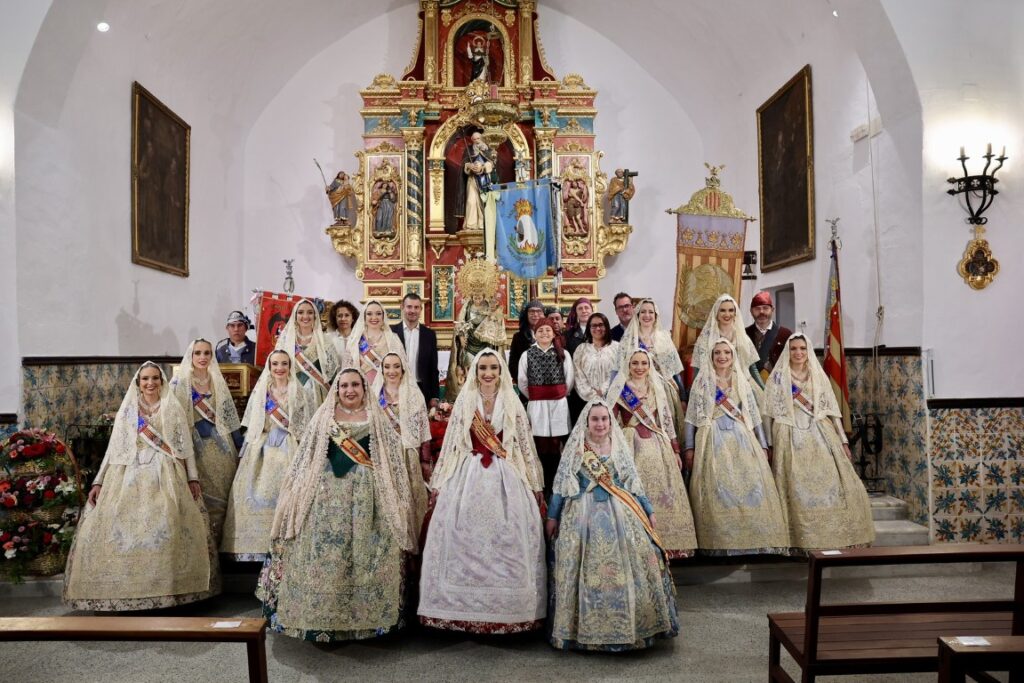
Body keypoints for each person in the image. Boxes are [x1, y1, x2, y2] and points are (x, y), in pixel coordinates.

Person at [257, 368, 416, 641]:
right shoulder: (323, 418)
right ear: (337, 389)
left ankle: (368, 620)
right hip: (324, 495)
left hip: (368, 496)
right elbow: (307, 456)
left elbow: (390, 458)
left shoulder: (377, 420)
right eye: (344, 386)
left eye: (355, 385)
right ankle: (319, 617)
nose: (350, 390)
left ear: (364, 389)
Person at [64, 362, 219, 610]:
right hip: (127, 471)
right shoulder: (128, 411)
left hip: (166, 472)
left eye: (155, 378)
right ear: (138, 383)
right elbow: (113, 449)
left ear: (161, 381)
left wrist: (192, 477)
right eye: (145, 379)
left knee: (166, 523)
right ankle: (123, 591)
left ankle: (170, 590)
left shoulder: (172, 406)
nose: (150, 383)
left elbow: (185, 446)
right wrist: (99, 481)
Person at [419, 349, 546, 634]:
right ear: (475, 372)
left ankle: (509, 609)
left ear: (502, 372)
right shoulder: (465, 403)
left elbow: (525, 446)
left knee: (510, 534)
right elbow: (452, 442)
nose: (488, 373)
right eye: (483, 368)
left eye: (493, 368)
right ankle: (459, 607)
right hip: (468, 474)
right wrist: (439, 482)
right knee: (457, 532)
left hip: (506, 475)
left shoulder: (512, 403)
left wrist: (536, 485)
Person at [547, 400, 678, 651]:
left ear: (610, 422)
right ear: (586, 422)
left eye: (604, 419)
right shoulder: (576, 449)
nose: (600, 424)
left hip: (619, 508)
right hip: (582, 511)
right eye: (595, 419)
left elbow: (633, 482)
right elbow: (561, 486)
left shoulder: (618, 446)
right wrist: (552, 517)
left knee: (640, 550)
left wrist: (648, 510)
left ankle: (634, 624)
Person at [767, 333, 874, 551]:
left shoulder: (818, 375)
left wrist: (843, 440)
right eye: (794, 348)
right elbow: (768, 413)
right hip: (789, 432)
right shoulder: (779, 377)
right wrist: (768, 445)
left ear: (808, 352)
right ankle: (800, 541)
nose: (798, 353)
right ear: (788, 351)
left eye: (802, 349)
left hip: (820, 432)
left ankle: (834, 535)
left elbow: (832, 411)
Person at [683, 339, 789, 556]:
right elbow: (690, 418)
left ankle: (751, 538)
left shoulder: (742, 382)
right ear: (711, 357)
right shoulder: (702, 382)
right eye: (717, 353)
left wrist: (762, 444)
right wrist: (689, 447)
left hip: (742, 440)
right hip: (711, 440)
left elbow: (754, 415)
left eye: (726, 353)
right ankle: (721, 542)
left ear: (733, 357)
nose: (722, 357)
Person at [221, 350, 313, 561]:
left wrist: (288, 433)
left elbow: (305, 424)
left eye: (283, 364)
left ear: (290, 366)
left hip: (290, 445)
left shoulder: (299, 391)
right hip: (262, 445)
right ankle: (253, 547)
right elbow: (253, 423)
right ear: (269, 368)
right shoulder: (262, 391)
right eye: (275, 364)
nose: (279, 368)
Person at [608, 349, 697, 559]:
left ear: (650, 366)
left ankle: (670, 544)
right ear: (628, 366)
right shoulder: (620, 389)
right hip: (630, 443)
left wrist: (675, 450)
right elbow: (610, 421)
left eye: (643, 363)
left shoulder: (657, 388)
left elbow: (666, 422)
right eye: (635, 363)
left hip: (658, 444)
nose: (639, 367)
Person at [169, 339, 242, 544]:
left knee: (224, 491)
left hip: (221, 446)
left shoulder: (217, 380)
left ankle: (222, 542)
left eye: (207, 353)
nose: (202, 357)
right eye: (198, 353)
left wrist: (239, 444)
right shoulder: (179, 384)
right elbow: (172, 419)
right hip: (194, 448)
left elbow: (228, 415)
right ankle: (203, 542)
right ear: (190, 356)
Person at [374, 352, 432, 536]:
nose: (392, 371)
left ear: (403, 369)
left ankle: (413, 543)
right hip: (384, 456)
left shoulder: (415, 395)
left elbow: (424, 432)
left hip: (409, 457)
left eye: (396, 366)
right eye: (387, 366)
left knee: (410, 503)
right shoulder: (374, 396)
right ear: (382, 370)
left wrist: (425, 462)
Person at [517, 315, 575, 493]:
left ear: (553, 333)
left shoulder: (562, 353)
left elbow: (569, 379)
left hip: (558, 404)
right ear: (535, 334)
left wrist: (559, 394)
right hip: (537, 405)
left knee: (557, 444)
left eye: (547, 330)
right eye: (540, 330)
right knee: (540, 444)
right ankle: (542, 485)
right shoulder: (527, 354)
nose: (544, 333)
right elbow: (522, 381)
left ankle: (559, 486)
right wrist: (536, 396)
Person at [619, 299, 687, 429]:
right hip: (638, 389)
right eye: (643, 312)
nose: (647, 315)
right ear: (637, 315)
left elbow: (675, 370)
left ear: (656, 316)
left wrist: (683, 397)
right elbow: (620, 370)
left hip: (664, 389)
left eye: (651, 312)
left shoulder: (664, 337)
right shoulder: (628, 340)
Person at [275, 298, 341, 408]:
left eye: (310, 312)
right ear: (295, 316)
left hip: (318, 395)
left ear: (315, 316)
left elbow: (333, 373)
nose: (305, 316)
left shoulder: (325, 341)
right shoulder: (285, 341)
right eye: (301, 312)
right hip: (291, 393)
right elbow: (275, 367)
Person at [446, 293, 506, 402]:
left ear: (483, 297)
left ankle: (487, 396)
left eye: (479, 297)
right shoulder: (467, 307)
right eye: (475, 297)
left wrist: (494, 316)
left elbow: (497, 321)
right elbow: (460, 324)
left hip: (485, 343)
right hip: (469, 344)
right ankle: (468, 397)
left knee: (485, 370)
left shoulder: (490, 306)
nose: (477, 300)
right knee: (468, 371)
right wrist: (461, 336)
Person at [391, 293, 439, 407]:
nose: (413, 310)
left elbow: (433, 368)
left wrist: (434, 396)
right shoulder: (391, 332)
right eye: (409, 307)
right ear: (402, 307)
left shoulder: (429, 335)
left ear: (421, 309)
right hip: (396, 388)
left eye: (416, 307)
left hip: (422, 389)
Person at [346, 299, 407, 387]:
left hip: (387, 390)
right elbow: (347, 370)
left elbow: (402, 367)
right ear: (364, 316)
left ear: (383, 316)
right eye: (369, 314)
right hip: (361, 389)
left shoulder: (393, 339)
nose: (374, 317)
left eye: (378, 314)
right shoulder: (355, 340)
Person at [572, 312, 620, 403]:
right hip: (587, 401)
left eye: (601, 325)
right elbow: (578, 374)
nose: (597, 328)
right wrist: (592, 395)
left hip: (614, 398)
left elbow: (620, 372)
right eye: (593, 325)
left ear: (607, 327)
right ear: (589, 328)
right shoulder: (581, 349)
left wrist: (603, 391)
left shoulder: (617, 348)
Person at [746, 290, 794, 380]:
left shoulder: (785, 334)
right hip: (751, 385)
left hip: (778, 385)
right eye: (757, 309)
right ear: (751, 311)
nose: (761, 312)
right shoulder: (744, 334)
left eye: (765, 308)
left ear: (772, 310)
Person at [458, 131, 495, 231]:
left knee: (484, 201)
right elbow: (464, 164)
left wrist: (482, 167)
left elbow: (492, 164)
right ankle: (471, 224)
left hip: (485, 180)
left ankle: (483, 224)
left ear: (482, 139)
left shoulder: (488, 150)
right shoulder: (469, 150)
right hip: (472, 179)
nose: (476, 141)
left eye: (478, 139)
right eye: (474, 139)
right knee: (471, 201)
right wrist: (470, 166)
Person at [508, 299, 545, 386]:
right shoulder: (518, 337)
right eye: (531, 312)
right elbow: (513, 364)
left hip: (548, 387)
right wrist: (524, 381)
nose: (535, 314)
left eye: (539, 311)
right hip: (526, 384)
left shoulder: (551, 336)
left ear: (544, 315)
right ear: (526, 315)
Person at [326, 299, 359, 367]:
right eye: (339, 315)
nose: (343, 319)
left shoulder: (360, 338)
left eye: (347, 315)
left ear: (353, 318)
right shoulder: (327, 338)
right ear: (335, 318)